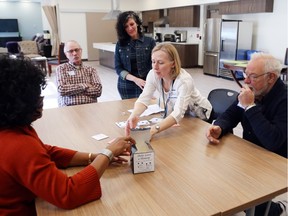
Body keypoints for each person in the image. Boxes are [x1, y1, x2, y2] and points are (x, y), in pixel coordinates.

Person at [0, 56, 135, 215]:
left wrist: (96, 157)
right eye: (37, 97)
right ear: (20, 103)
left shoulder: (12, 128)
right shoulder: (17, 144)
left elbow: (45, 151)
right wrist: (107, 153)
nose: (41, 101)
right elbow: (68, 193)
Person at [206, 52, 287, 216]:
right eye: (245, 75)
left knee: (254, 207)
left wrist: (250, 107)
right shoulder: (253, 91)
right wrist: (219, 127)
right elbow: (230, 115)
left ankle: (278, 208)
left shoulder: (284, 100)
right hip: (249, 153)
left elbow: (273, 142)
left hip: (274, 161)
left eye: (253, 76)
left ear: (270, 77)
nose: (246, 81)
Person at [125, 43, 212, 138]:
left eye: (160, 63)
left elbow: (178, 113)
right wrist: (134, 115)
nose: (155, 67)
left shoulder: (184, 81)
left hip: (200, 116)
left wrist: (153, 130)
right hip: (185, 116)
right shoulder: (153, 74)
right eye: (153, 62)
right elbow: (143, 99)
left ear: (173, 63)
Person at [115, 11, 156, 99]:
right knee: (128, 112)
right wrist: (136, 80)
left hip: (145, 85)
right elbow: (118, 68)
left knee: (146, 111)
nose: (130, 28)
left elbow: (154, 66)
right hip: (126, 86)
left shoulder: (150, 42)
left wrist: (152, 85)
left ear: (137, 23)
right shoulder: (120, 44)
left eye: (132, 24)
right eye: (126, 26)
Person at [56, 40, 102, 106]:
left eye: (77, 50)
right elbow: (62, 90)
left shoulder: (91, 69)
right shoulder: (61, 69)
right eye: (71, 51)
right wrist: (85, 85)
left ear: (81, 51)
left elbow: (98, 91)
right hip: (69, 107)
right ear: (66, 54)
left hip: (90, 106)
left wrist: (72, 91)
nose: (74, 53)